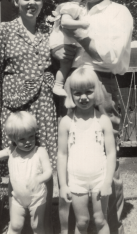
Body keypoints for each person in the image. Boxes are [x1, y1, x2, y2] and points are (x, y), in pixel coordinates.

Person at [52, 0, 133, 234]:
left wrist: (78, 34)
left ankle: (110, 226)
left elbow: (110, 57)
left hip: (100, 85)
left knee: (105, 155)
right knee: (74, 155)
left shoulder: (118, 13)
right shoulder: (75, 9)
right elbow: (59, 45)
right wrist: (60, 51)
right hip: (72, 85)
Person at [0, 0, 60, 233]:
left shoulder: (48, 34)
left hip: (44, 110)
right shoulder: (2, 31)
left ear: (43, 3)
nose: (31, 2)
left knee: (43, 163)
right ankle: (16, 223)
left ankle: (44, 224)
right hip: (15, 112)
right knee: (16, 166)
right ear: (16, 1)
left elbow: (59, 66)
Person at [58, 67, 116, 234]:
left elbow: (111, 154)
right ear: (71, 94)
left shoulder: (103, 121)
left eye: (88, 92)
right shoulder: (66, 122)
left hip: (99, 178)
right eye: (77, 93)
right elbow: (62, 155)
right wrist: (63, 185)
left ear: (96, 92)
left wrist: (107, 182)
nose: (83, 97)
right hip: (76, 180)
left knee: (100, 220)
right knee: (82, 222)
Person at [0, 111, 52, 234]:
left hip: (37, 197)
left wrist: (40, 179)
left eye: (31, 136)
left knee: (37, 227)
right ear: (13, 139)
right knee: (16, 226)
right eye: (22, 139)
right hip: (17, 197)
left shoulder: (40, 151)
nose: (28, 141)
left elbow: (48, 171)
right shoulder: (11, 151)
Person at [49, 0, 89, 97]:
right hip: (61, 42)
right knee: (66, 64)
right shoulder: (71, 7)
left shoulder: (63, 6)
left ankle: (59, 84)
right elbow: (65, 22)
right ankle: (58, 85)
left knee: (66, 63)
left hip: (58, 41)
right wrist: (83, 24)